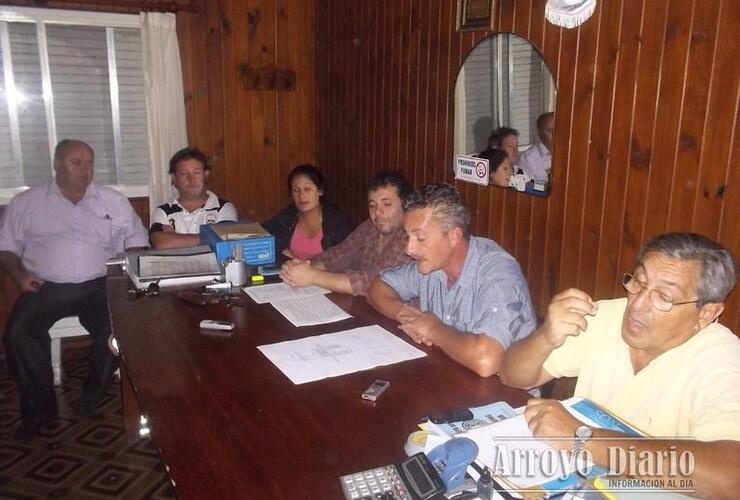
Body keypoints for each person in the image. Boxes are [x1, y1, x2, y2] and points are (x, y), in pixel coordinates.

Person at [499, 232, 740, 498]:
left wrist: (582, 439)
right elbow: (513, 376)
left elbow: (731, 477)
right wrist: (545, 336)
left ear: (706, 314)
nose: (637, 305)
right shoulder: (607, 316)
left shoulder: (722, 359)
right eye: (639, 282)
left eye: (664, 297)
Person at [0, 139, 149, 439]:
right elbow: (6, 247)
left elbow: (137, 239)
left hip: (98, 285)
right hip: (45, 286)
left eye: (90, 163)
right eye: (76, 162)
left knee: (116, 333)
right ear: (57, 164)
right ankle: (40, 411)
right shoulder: (28, 203)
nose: (85, 170)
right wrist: (18, 275)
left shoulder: (112, 201)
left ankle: (93, 395)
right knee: (18, 334)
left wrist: (127, 274)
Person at [367, 183, 537, 377]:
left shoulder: (499, 274)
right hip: (453, 376)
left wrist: (432, 329)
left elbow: (487, 360)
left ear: (454, 236)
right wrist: (408, 316)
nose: (409, 249)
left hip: (508, 397)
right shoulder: (433, 264)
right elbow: (377, 289)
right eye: (408, 236)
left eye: (420, 238)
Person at [280, 171, 412, 296]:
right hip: (364, 308)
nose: (377, 212)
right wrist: (303, 267)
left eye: (386, 204)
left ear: (405, 204)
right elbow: (339, 255)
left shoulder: (410, 237)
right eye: (372, 205)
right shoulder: (369, 227)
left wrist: (313, 276)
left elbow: (376, 282)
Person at [149, 147, 237, 249]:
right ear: (174, 179)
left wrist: (175, 238)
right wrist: (211, 237)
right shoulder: (163, 212)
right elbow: (161, 243)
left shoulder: (224, 208)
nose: (191, 179)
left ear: (206, 175)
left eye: (197, 173)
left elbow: (224, 242)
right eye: (184, 174)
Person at [263, 164, 350, 260]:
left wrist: (309, 269)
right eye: (296, 190)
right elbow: (262, 234)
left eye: (307, 189)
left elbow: (344, 260)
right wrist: (286, 254)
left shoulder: (337, 221)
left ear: (320, 191)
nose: (301, 196)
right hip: (292, 272)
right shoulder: (288, 216)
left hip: (325, 274)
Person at [517, 112, 554, 183]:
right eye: (550, 131)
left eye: (558, 128)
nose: (555, 133)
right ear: (539, 133)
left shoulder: (570, 152)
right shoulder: (527, 160)